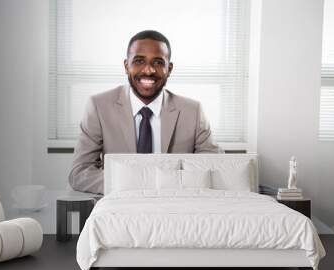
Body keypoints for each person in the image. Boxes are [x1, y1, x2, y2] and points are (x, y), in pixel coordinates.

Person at [69, 30, 221, 194]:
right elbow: (80, 173)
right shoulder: (99, 107)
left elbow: (214, 168)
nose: (148, 70)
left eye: (158, 62)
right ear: (127, 66)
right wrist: (134, 185)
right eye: (139, 61)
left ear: (169, 69)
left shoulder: (193, 111)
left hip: (175, 205)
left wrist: (169, 185)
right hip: (121, 207)